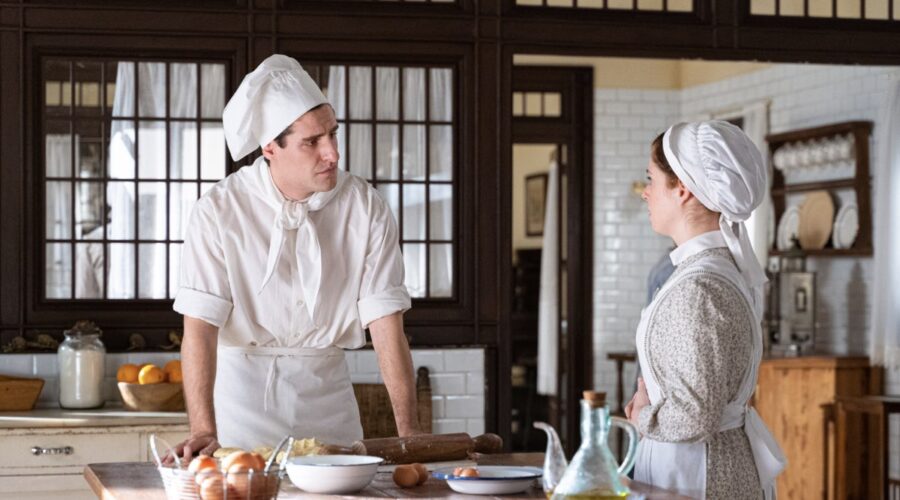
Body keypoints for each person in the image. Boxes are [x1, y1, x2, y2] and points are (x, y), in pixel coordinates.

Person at [169, 55, 420, 459]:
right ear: (270, 147)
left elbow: (386, 323)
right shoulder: (219, 210)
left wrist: (411, 436)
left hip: (330, 408)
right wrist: (202, 428)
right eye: (313, 142)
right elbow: (199, 326)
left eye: (333, 135)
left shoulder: (365, 206)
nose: (333, 154)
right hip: (241, 413)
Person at [624, 121, 786, 499]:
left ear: (682, 189)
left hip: (699, 475)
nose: (645, 193)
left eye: (651, 179)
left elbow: (694, 415)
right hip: (716, 466)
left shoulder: (699, 287)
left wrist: (642, 416)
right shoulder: (717, 272)